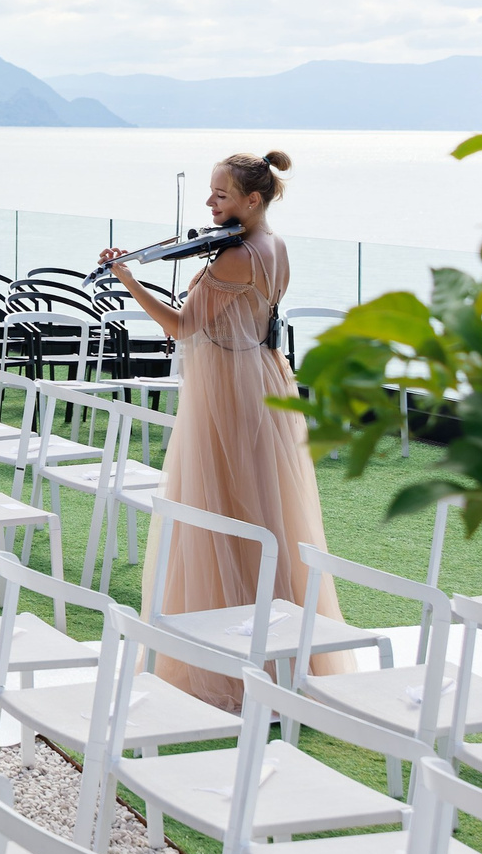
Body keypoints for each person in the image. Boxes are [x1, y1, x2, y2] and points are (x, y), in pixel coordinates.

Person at [102, 150, 344, 709]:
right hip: (262, 376)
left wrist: (128, 280)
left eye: (221, 196)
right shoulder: (274, 246)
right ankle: (281, 653)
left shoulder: (234, 257)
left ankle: (226, 662)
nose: (210, 205)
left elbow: (183, 325)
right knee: (268, 512)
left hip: (229, 392)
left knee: (220, 512)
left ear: (252, 200)